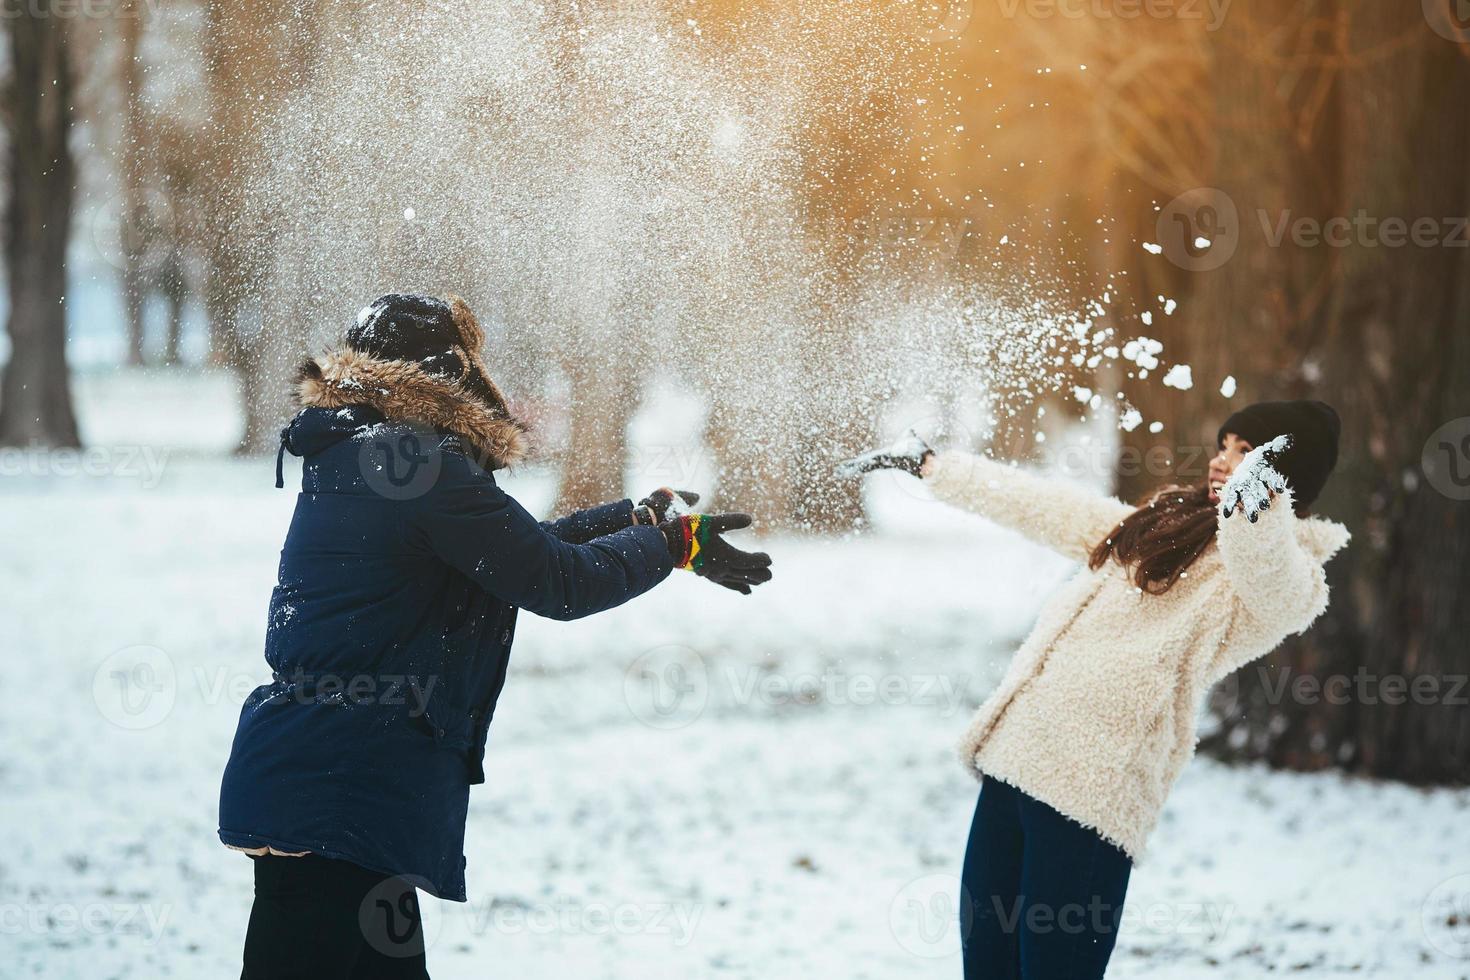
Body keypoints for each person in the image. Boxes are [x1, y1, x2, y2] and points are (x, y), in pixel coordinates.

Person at [219, 293, 773, 979]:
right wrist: (671, 544)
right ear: (448, 370)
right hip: (342, 797)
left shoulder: (364, 455)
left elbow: (508, 556)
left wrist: (635, 524)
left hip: (324, 789)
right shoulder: (421, 468)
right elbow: (556, 582)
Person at [840, 400, 1348, 980]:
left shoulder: (1291, 581)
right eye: (1224, 446)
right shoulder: (1166, 519)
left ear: (1286, 474)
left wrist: (1255, 504)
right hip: (1017, 761)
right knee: (987, 966)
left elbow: (1263, 560)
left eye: (1247, 453)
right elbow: (1052, 509)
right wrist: (937, 468)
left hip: (1092, 794)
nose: (1222, 462)